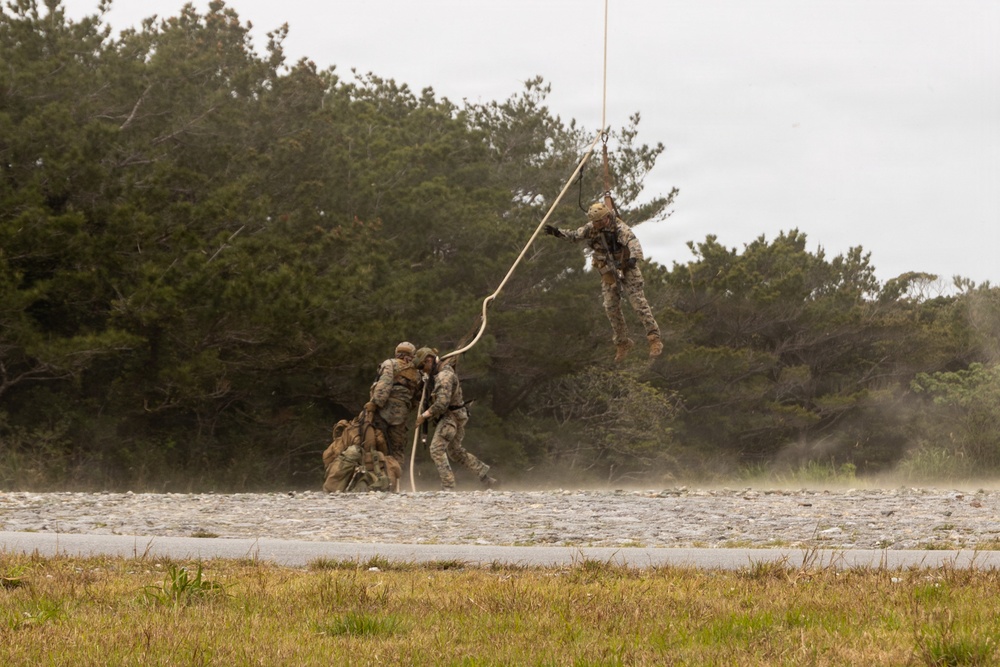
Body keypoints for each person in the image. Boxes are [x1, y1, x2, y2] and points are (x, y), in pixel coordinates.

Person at [544, 201, 663, 362]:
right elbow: (575, 235)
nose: (596, 225)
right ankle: (622, 342)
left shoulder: (620, 228)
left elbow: (633, 243)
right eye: (594, 222)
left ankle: (654, 338)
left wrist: (633, 259)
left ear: (606, 218)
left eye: (599, 222)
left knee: (638, 303)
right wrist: (557, 233)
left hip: (627, 267)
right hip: (608, 270)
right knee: (610, 306)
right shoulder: (591, 227)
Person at [412, 347, 498, 491]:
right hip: (457, 416)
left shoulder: (444, 376)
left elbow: (441, 404)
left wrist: (424, 416)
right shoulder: (437, 374)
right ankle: (486, 478)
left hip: (450, 418)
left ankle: (448, 487)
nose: (422, 370)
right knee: (455, 451)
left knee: (436, 449)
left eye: (422, 366)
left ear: (429, 360)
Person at [364, 341, 422, 478]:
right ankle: (395, 479)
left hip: (383, 410)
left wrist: (374, 404)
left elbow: (383, 386)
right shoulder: (416, 373)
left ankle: (377, 477)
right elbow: (416, 397)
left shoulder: (389, 364)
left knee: (377, 442)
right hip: (401, 414)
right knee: (397, 448)